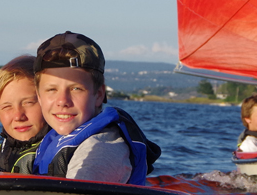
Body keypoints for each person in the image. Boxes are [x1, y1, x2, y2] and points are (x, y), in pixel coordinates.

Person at [19, 31, 159, 185]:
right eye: (51, 89)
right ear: (39, 96)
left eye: (76, 89)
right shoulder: (53, 138)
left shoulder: (102, 148)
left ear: (99, 95)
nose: (62, 101)